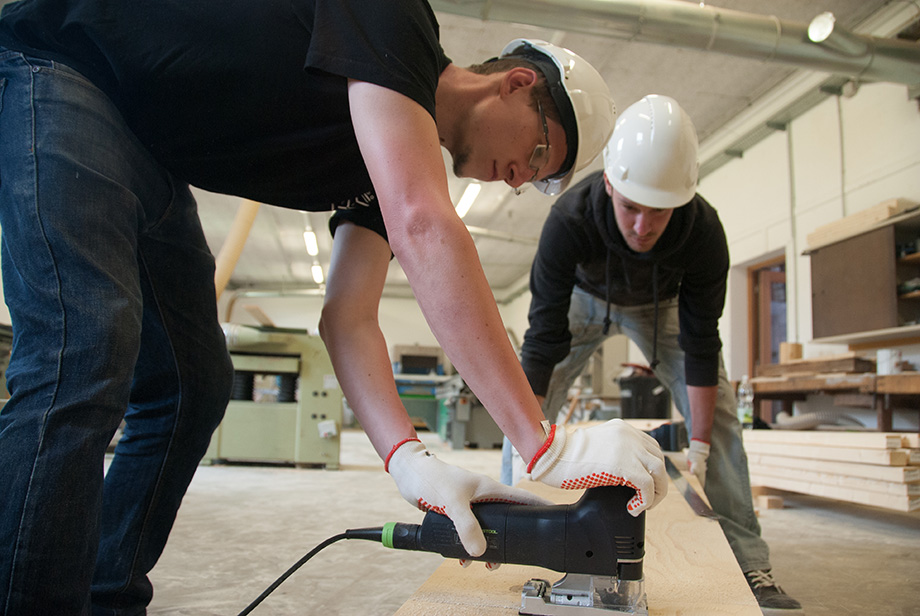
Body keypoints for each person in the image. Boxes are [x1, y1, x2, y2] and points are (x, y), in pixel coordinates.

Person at [0, 1, 671, 614]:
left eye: (540, 177)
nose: (523, 176)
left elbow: (347, 318)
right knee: (82, 355)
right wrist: (541, 441)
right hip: (65, 70)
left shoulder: (385, 161)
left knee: (191, 387)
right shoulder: (397, 19)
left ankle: (105, 599)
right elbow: (422, 222)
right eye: (538, 150)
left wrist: (409, 460)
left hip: (148, 152)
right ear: (517, 84)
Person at [504, 95, 802, 614]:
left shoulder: (704, 232)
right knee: (525, 400)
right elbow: (542, 339)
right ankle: (515, 528)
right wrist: (520, 437)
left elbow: (701, 342)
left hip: (659, 307)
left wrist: (703, 448)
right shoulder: (568, 220)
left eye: (659, 212)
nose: (643, 226)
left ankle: (750, 560)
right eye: (631, 208)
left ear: (682, 200)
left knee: (725, 417)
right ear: (611, 185)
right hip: (582, 300)